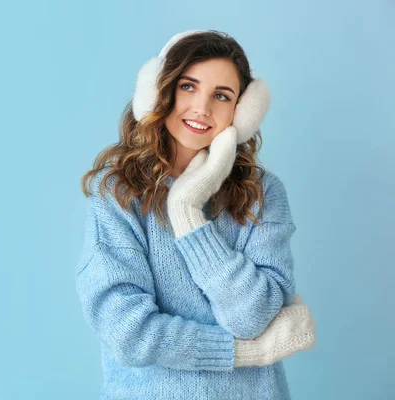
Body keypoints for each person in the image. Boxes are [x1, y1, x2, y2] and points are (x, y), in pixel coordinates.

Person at [75, 30, 315, 399]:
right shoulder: (118, 192)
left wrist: (186, 212)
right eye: (189, 86)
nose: (202, 108)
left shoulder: (263, 192)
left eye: (222, 96)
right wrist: (246, 352)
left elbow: (252, 317)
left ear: (243, 111)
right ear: (159, 91)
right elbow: (128, 332)